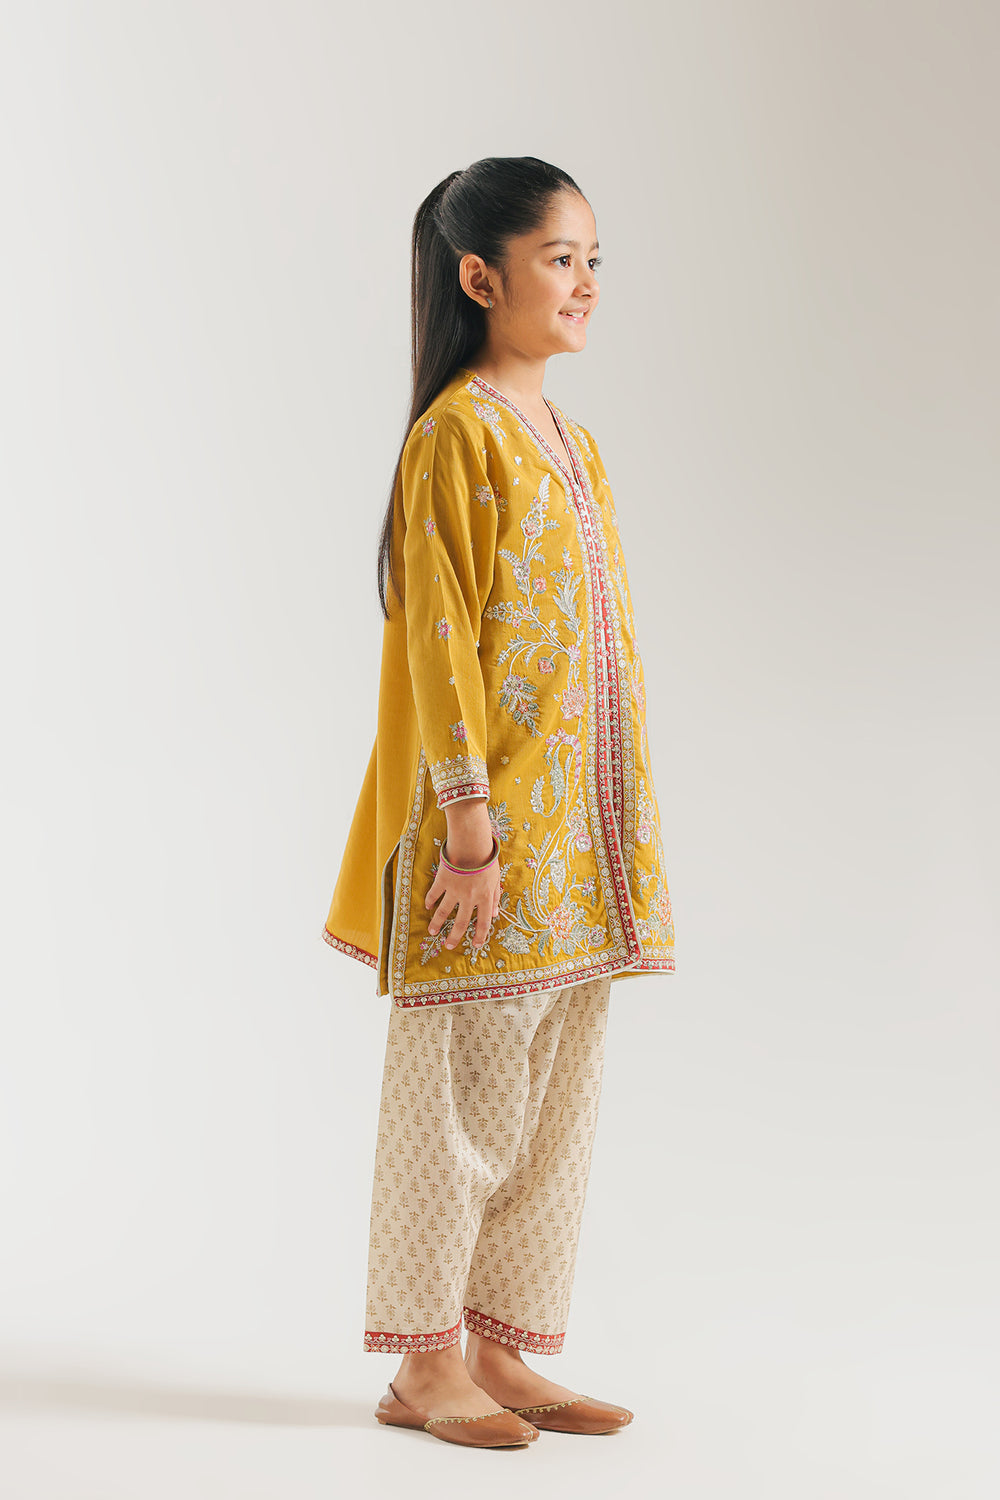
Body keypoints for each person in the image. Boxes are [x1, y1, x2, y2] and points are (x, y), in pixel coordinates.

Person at [320, 157, 675, 1448]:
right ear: (481, 277)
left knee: (551, 1106)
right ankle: (423, 1369)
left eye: (594, 260)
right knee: (458, 1106)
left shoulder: (575, 443)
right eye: (559, 259)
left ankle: (501, 1350)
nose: (585, 284)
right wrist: (469, 828)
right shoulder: (455, 434)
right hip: (485, 836)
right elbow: (439, 642)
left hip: (577, 841)